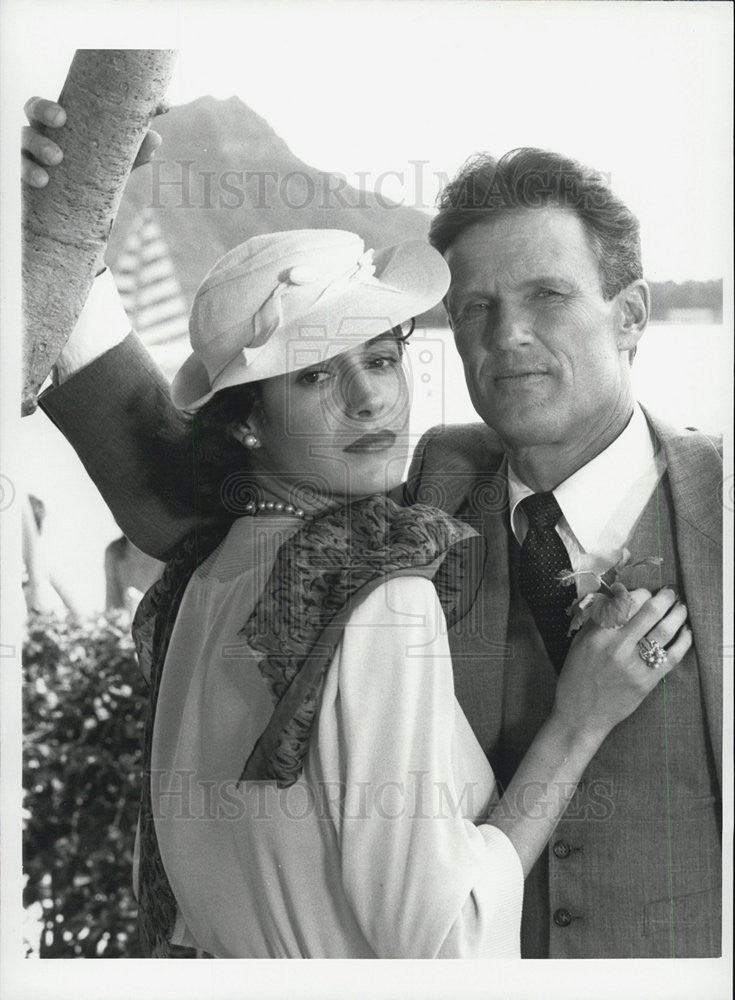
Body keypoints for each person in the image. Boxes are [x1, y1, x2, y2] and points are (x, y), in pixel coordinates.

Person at [23, 100, 713, 958]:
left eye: (548, 294)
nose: (508, 337)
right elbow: (198, 499)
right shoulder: (397, 497)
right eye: (474, 308)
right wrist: (58, 235)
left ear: (633, 314)